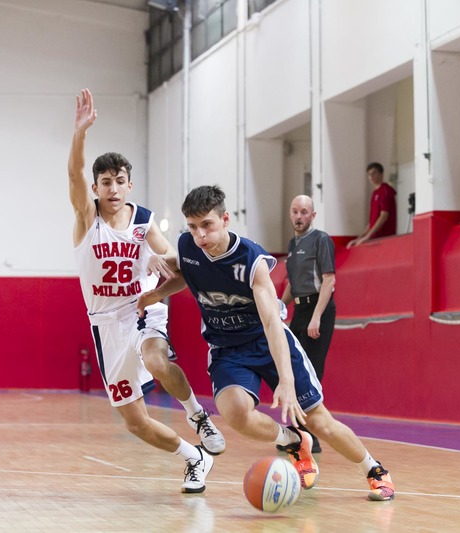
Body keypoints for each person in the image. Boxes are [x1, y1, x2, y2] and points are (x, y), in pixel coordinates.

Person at [139, 185, 395, 502]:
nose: (200, 235)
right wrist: (156, 290)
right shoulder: (189, 246)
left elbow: (273, 323)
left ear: (225, 219)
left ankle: (374, 469)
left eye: (207, 225)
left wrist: (285, 381)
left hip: (267, 341)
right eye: (193, 227)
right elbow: (187, 271)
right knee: (235, 413)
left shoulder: (251, 260)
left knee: (318, 420)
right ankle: (292, 441)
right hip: (227, 349)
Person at [68, 89, 224, 493]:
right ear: (95, 188)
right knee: (135, 423)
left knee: (155, 359)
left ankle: (197, 414)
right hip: (106, 325)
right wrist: (80, 133)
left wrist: (160, 258)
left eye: (120, 181)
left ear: (129, 185)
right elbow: (73, 174)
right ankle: (195, 457)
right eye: (106, 182)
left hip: (143, 308)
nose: (114, 189)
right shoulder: (87, 220)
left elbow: (175, 260)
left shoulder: (143, 220)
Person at [278, 195, 336, 454]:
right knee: (293, 369)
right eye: (295, 211)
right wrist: (278, 307)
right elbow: (293, 283)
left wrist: (316, 317)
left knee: (311, 372)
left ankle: (311, 436)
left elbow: (329, 280)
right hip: (300, 310)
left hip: (318, 310)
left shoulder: (321, 240)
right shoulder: (293, 244)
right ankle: (298, 431)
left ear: (312, 215)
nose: (299, 216)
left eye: (304, 212)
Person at [346, 162, 397, 248]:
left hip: (384, 239)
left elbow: (383, 216)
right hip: (374, 238)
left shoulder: (386, 191)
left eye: (374, 173)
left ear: (381, 174)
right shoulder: (374, 193)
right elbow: (372, 222)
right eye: (369, 174)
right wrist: (359, 238)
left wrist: (367, 236)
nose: (371, 176)